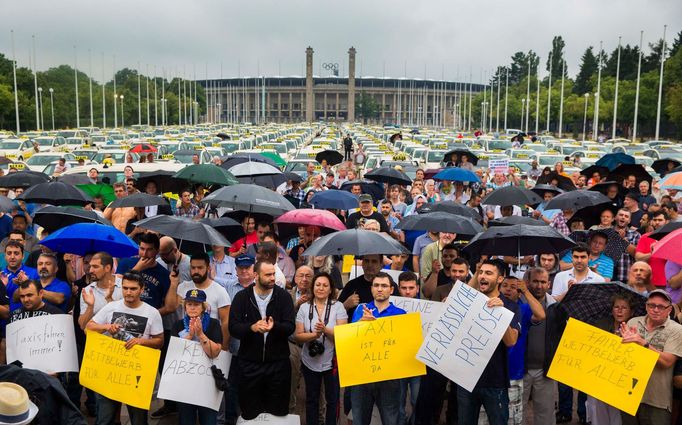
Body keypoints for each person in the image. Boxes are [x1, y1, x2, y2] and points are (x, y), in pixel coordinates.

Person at [86, 272, 164, 425]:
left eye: (133, 289)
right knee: (104, 419)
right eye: (125, 288)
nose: (128, 292)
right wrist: (107, 326)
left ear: (142, 290)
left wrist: (141, 341)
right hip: (110, 372)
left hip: (136, 375)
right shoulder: (111, 307)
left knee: (139, 420)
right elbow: (88, 327)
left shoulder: (152, 313)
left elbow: (160, 341)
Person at [228, 261, 295, 419]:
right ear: (256, 276)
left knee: (278, 413)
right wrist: (252, 328)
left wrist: (275, 326)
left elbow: (290, 327)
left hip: (278, 365)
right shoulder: (242, 297)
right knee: (250, 413)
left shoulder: (283, 296)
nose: (273, 278)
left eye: (273, 274)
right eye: (268, 275)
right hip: (249, 364)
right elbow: (233, 328)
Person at [457, 260, 521, 425]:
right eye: (481, 273)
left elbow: (511, 341)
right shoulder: (467, 302)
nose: (482, 277)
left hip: (495, 381)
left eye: (488, 273)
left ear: (500, 279)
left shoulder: (511, 306)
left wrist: (500, 313)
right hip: (465, 379)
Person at [350, 272, 406, 425]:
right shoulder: (360, 310)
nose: (380, 289)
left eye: (384, 286)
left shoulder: (401, 314)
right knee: (360, 420)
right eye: (376, 285)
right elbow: (350, 341)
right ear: (371, 289)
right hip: (362, 376)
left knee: (390, 420)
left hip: (389, 378)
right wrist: (362, 323)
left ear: (391, 290)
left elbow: (404, 346)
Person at [620, 290, 682, 424]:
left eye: (661, 307)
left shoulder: (676, 330)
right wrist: (620, 342)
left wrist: (642, 343)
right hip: (629, 395)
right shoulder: (633, 322)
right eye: (651, 305)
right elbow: (622, 357)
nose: (655, 310)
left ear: (669, 310)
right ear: (646, 306)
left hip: (656, 399)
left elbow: (667, 362)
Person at [294, 272, 348, 425]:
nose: (321, 288)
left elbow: (343, 335)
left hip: (332, 362)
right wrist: (314, 335)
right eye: (318, 285)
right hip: (309, 361)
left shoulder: (338, 307)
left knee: (332, 399)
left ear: (331, 289)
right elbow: (298, 336)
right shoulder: (305, 308)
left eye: (325, 285)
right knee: (311, 399)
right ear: (313, 287)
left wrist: (325, 331)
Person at [173, 289, 223, 425]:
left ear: (203, 307)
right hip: (184, 381)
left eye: (196, 304)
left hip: (207, 381)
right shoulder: (177, 325)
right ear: (185, 306)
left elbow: (215, 352)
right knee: (186, 419)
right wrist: (189, 335)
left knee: (208, 420)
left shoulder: (213, 324)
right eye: (189, 304)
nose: (193, 307)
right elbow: (174, 353)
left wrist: (200, 335)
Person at [585, 293, 637, 425]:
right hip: (598, 379)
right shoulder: (601, 323)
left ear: (632, 312)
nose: (619, 310)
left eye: (624, 308)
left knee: (617, 418)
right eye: (616, 307)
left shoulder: (635, 328)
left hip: (620, 383)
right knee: (597, 415)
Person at [167, 253, 231, 351]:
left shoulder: (220, 291)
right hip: (184, 339)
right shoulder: (183, 286)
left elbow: (225, 321)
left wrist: (224, 348)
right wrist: (174, 283)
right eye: (193, 268)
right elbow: (170, 307)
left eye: (200, 268)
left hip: (210, 339)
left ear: (208, 268)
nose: (196, 271)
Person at [521, 268, 557, 425]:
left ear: (549, 284)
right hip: (519, 369)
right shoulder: (517, 302)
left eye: (543, 282)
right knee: (516, 412)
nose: (539, 285)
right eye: (535, 281)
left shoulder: (555, 307)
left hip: (545, 370)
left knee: (546, 414)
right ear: (528, 283)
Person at [397, 271, 421, 425]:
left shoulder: (428, 307)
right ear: (398, 288)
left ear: (417, 288)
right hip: (398, 362)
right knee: (398, 402)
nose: (407, 291)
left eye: (411, 288)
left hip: (418, 362)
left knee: (416, 400)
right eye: (404, 288)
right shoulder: (392, 308)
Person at [635, 210, 670, 288]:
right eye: (655, 220)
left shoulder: (672, 238)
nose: (657, 222)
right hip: (647, 283)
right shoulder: (645, 237)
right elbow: (638, 258)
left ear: (667, 221)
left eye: (660, 220)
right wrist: (652, 253)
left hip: (668, 283)